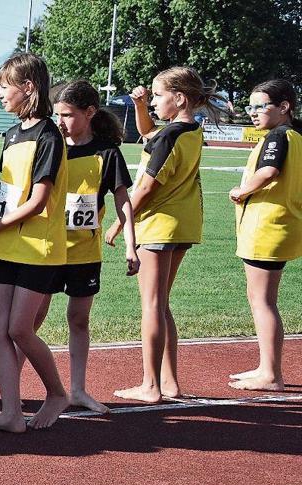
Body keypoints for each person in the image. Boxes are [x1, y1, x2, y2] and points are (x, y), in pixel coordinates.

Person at [0, 53, 69, 432]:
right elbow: (6, 195)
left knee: (20, 328)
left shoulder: (49, 135)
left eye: (4, 86)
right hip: (6, 244)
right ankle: (11, 412)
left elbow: (38, 202)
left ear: (28, 88)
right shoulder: (11, 134)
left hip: (38, 248)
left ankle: (56, 393)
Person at [29, 80, 141, 414]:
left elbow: (123, 200)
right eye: (57, 114)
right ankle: (13, 389)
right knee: (30, 320)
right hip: (47, 250)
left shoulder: (107, 153)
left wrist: (130, 245)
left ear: (90, 113)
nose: (60, 121)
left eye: (68, 114)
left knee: (78, 320)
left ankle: (77, 389)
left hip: (84, 253)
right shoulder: (51, 146)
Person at [114, 67, 223, 403]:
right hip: (182, 224)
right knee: (161, 304)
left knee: (152, 305)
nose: (155, 101)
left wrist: (121, 221)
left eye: (159, 95)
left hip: (159, 225)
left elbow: (146, 186)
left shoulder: (170, 136)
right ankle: (169, 382)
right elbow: (149, 133)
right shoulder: (189, 130)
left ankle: (150, 384)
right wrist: (141, 105)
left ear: (179, 98)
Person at [227, 79, 302, 392]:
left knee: (262, 301)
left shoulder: (279, 135)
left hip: (267, 227)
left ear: (283, 107)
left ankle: (271, 373)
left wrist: (241, 190)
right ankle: (266, 365)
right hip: (280, 225)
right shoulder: (296, 135)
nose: (253, 112)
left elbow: (269, 170)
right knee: (261, 299)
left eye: (260, 106)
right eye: (250, 106)